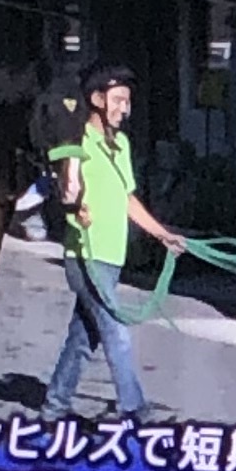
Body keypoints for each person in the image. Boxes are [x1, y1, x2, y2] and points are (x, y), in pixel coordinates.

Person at [46, 60, 185, 423]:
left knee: (83, 337)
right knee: (115, 332)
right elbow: (66, 189)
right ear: (97, 99)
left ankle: (55, 406)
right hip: (85, 256)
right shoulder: (76, 140)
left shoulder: (120, 144)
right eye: (119, 100)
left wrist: (162, 233)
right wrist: (75, 210)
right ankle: (135, 409)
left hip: (111, 256)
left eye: (127, 101)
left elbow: (127, 199)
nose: (125, 108)